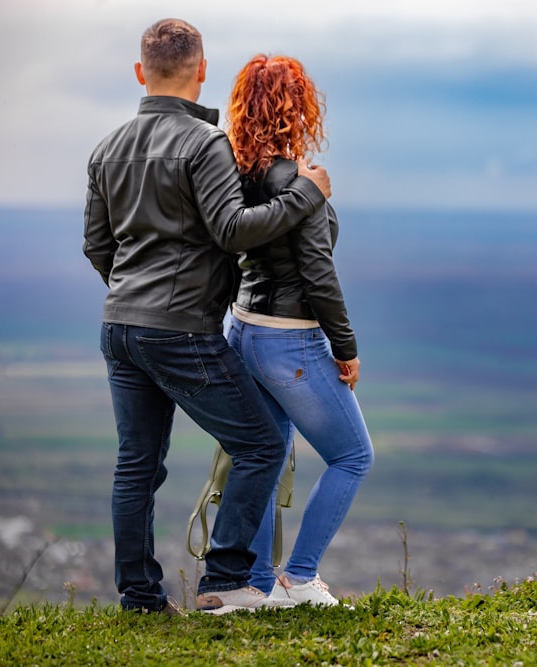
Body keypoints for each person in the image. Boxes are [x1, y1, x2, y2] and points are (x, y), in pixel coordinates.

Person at [83, 19, 332, 615]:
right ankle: (224, 581)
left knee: (137, 464)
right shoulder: (204, 144)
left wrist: (132, 296)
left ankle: (141, 598)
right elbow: (232, 230)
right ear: (201, 71)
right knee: (262, 443)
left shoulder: (107, 147)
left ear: (142, 73)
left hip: (119, 327)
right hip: (180, 328)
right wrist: (306, 194)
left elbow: (97, 246)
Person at [222, 54, 374, 607]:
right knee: (354, 456)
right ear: (300, 108)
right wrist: (346, 348)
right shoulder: (298, 181)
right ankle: (300, 577)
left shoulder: (237, 176)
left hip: (243, 330)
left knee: (264, 457)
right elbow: (317, 273)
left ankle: (257, 584)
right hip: (292, 341)